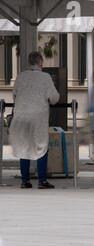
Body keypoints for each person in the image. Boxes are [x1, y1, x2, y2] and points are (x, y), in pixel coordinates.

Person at [10, 52, 60, 189]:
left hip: (21, 116)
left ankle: (25, 180)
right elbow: (54, 98)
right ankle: (42, 180)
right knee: (41, 146)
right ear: (41, 63)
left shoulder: (20, 76)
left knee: (24, 146)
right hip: (38, 118)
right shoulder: (45, 77)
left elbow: (14, 94)